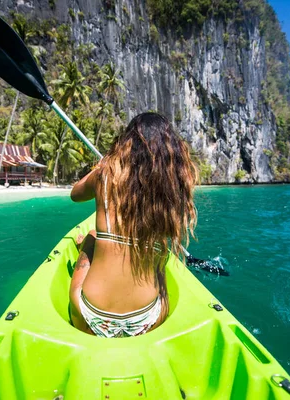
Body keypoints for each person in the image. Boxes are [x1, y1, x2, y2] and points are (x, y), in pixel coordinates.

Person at [69, 112, 198, 338]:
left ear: (126, 144)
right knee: (160, 253)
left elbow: (75, 194)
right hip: (148, 321)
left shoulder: (105, 175)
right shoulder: (169, 190)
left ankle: (87, 245)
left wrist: (100, 166)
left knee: (91, 236)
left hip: (90, 318)